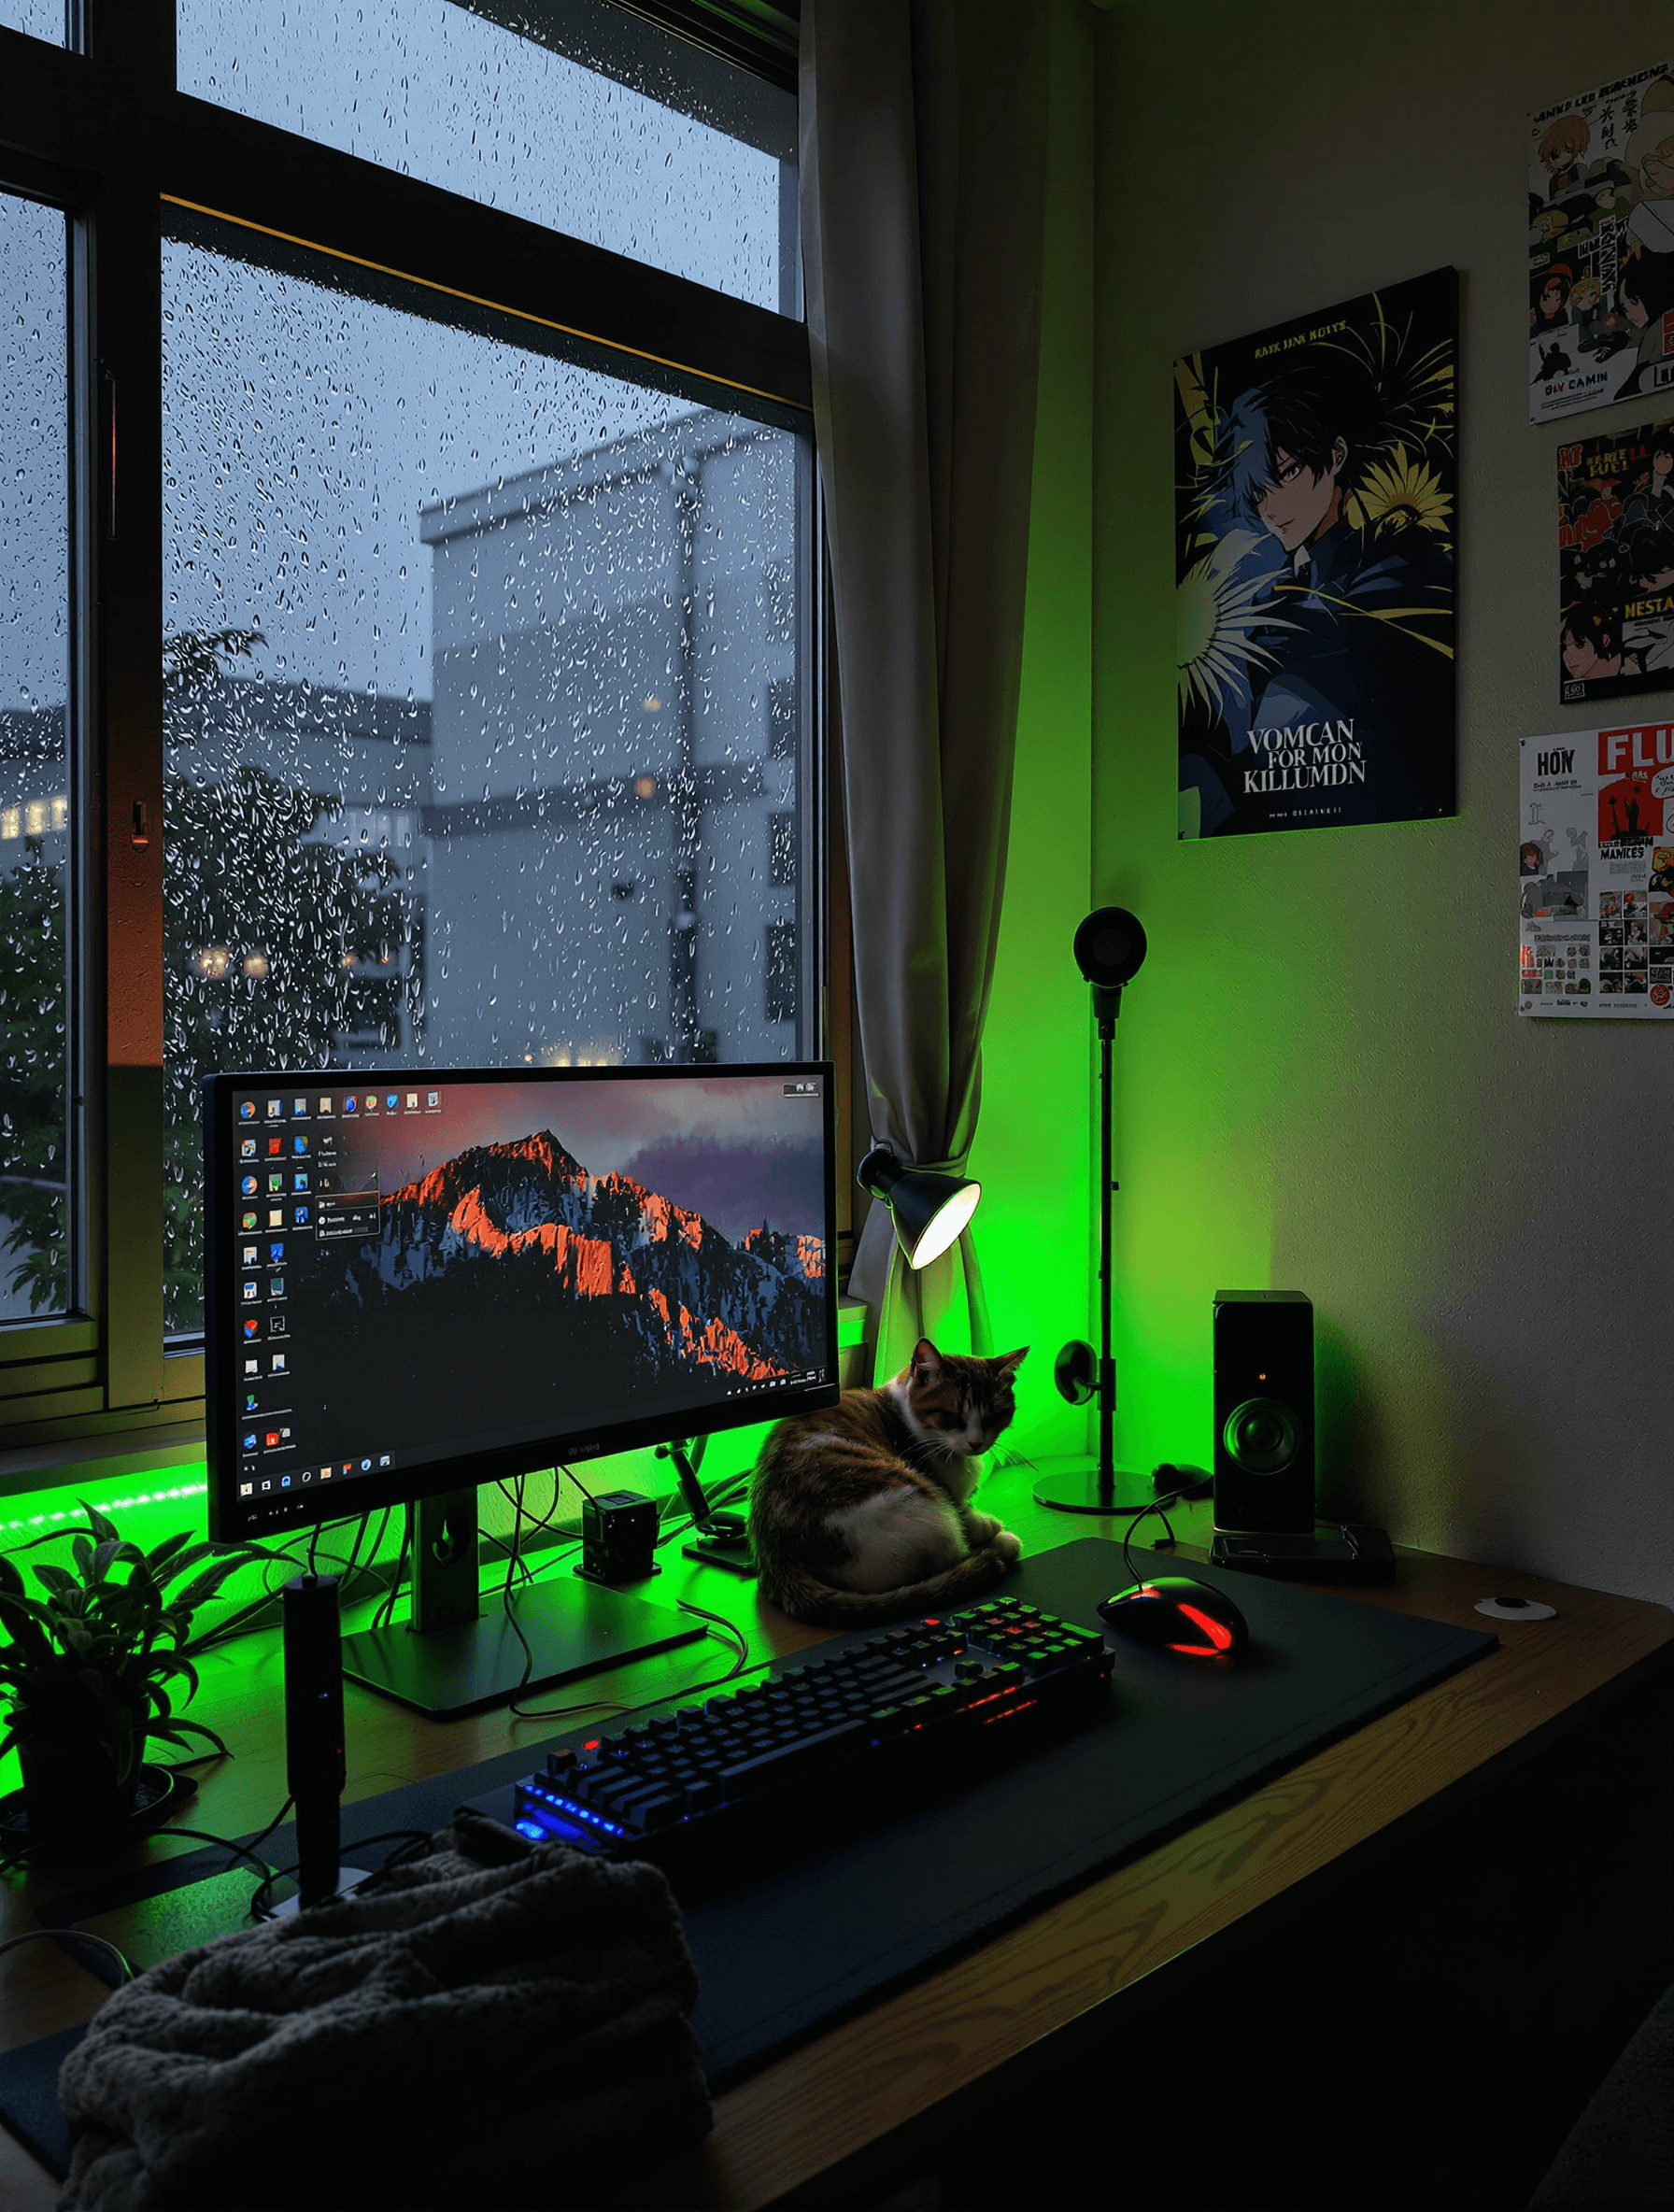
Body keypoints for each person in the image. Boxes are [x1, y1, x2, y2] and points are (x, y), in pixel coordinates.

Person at [1187, 352, 1453, 832]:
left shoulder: (1401, 564)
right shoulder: (1274, 600)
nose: (1273, 509)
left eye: (1286, 473)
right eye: (1257, 493)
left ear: (1334, 456)